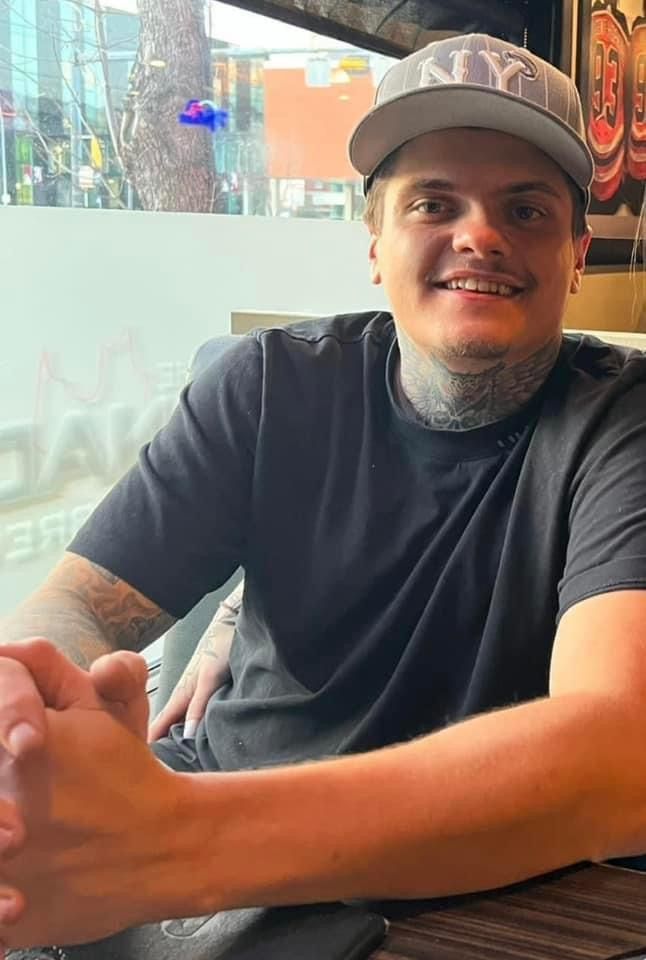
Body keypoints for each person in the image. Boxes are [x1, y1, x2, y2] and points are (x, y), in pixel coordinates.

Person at [2, 30, 646, 953]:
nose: (480, 234)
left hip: (466, 883)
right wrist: (32, 697)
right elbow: (74, 604)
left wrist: (166, 843)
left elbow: (621, 757)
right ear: (375, 244)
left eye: (528, 210)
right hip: (211, 809)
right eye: (433, 202)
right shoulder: (268, 386)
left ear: (578, 256)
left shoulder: (620, 425)